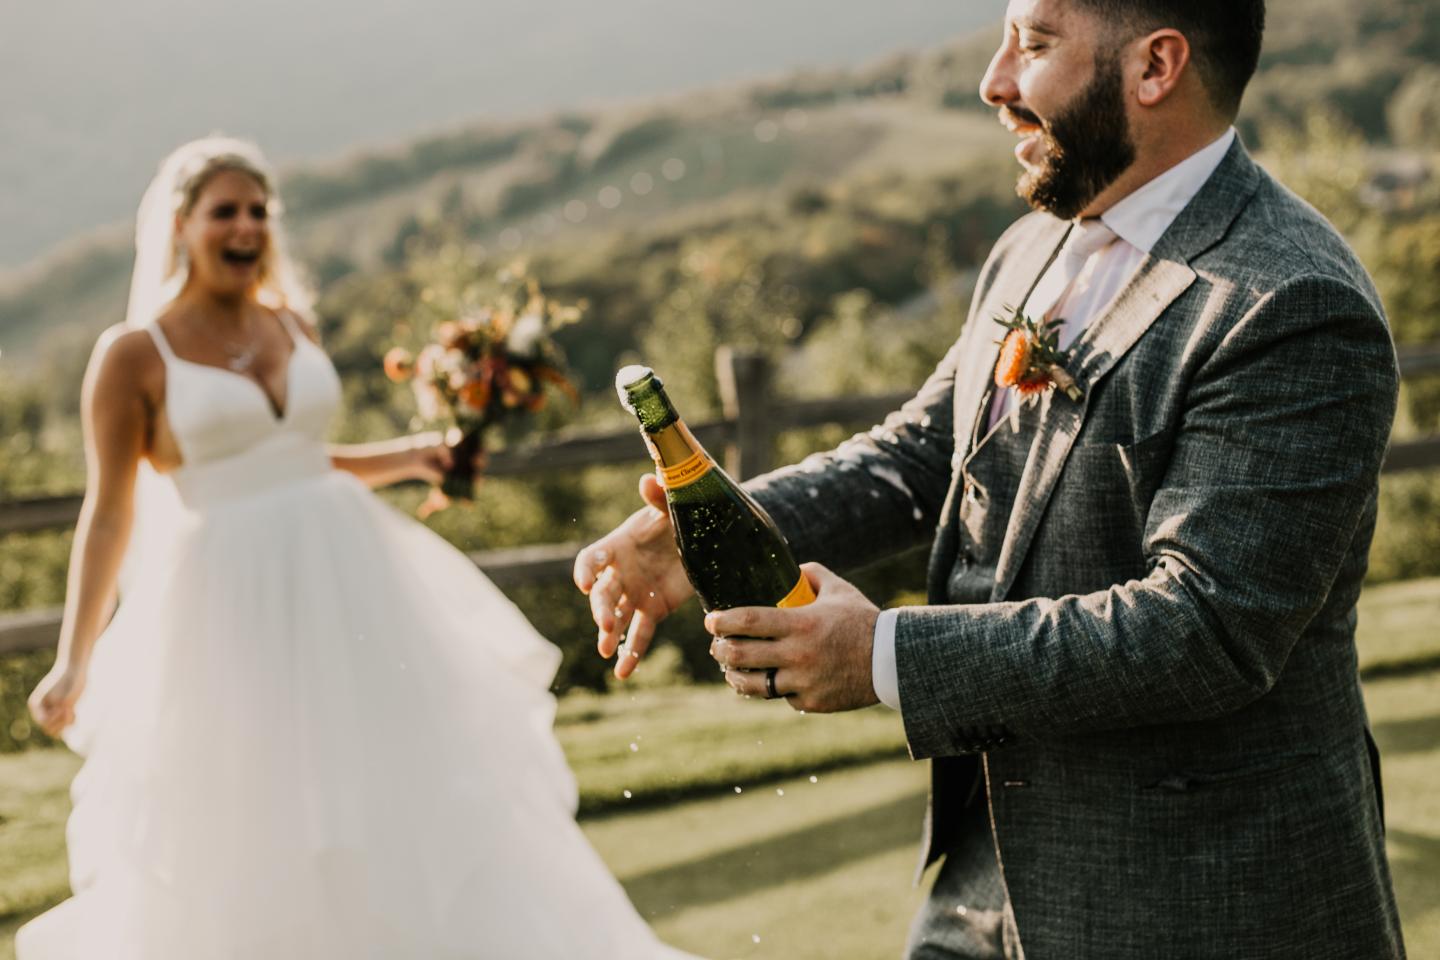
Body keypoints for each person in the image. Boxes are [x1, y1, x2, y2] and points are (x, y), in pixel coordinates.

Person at [575, 1, 1406, 956]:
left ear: (1156, 66)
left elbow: (1206, 629)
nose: (994, 81)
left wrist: (883, 656)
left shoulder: (1289, 302)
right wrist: (711, 532)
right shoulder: (1034, 242)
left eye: (1037, 44)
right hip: (982, 883)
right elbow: (922, 454)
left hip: (1197, 899)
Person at [20, 136, 694, 960]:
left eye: (259, 212)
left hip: (352, 578)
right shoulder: (133, 354)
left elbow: (296, 458)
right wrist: (74, 659)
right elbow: (111, 511)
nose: (246, 227)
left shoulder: (288, 323)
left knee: (406, 783)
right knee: (255, 808)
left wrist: (413, 455)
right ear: (181, 226)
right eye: (225, 212)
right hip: (225, 601)